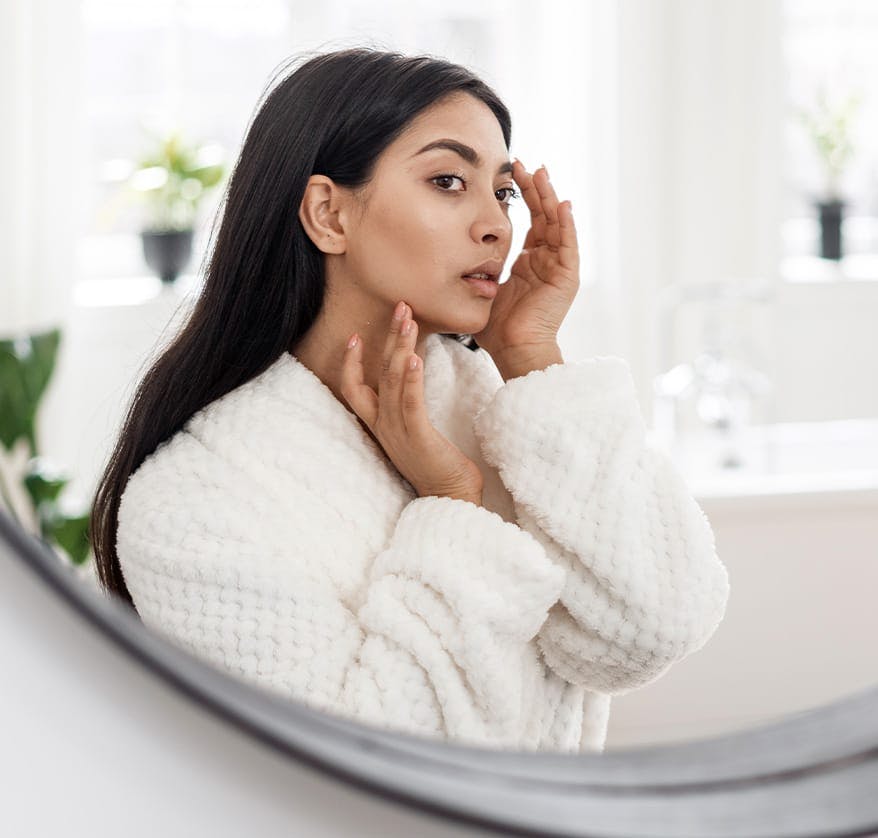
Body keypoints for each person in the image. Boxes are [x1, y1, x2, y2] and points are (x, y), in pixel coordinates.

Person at [91, 47, 729, 753]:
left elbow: (654, 628)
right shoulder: (196, 502)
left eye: (504, 191)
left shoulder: (500, 412)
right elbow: (364, 774)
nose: (496, 225)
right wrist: (453, 502)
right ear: (328, 213)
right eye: (449, 180)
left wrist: (532, 357)